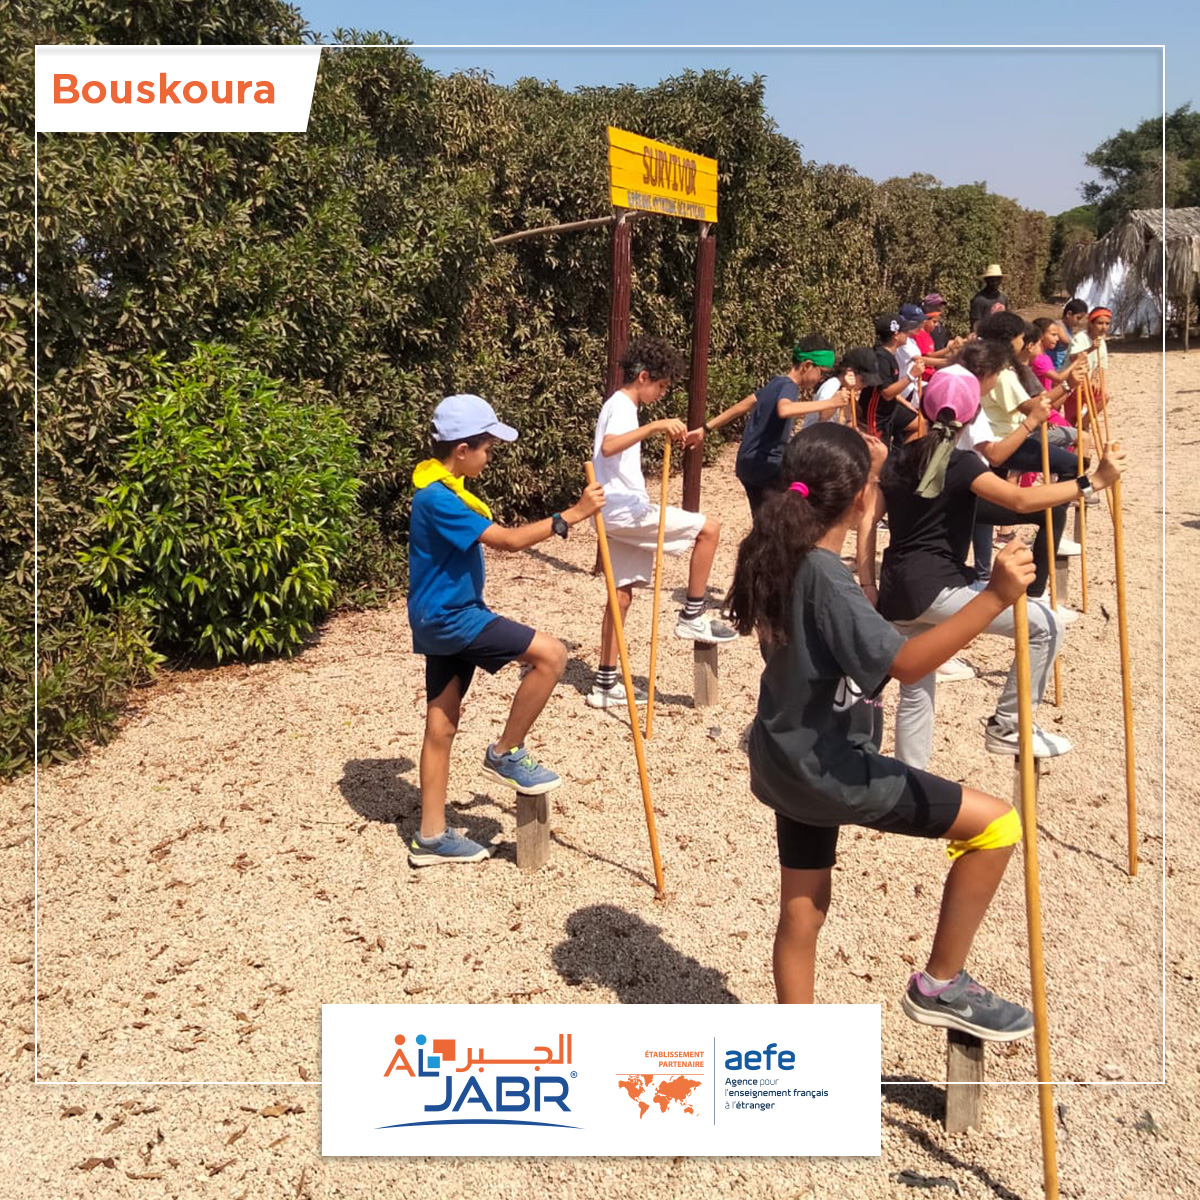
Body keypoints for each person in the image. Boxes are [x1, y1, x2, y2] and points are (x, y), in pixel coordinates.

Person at [726, 422, 1036, 1040]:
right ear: (864, 495)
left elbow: (851, 596)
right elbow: (907, 663)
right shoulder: (821, 575)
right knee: (999, 825)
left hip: (785, 759)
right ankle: (941, 985)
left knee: (804, 906)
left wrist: (865, 523)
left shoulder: (779, 551)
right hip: (831, 768)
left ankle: (800, 1048)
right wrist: (995, 597)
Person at [874, 368, 1126, 770]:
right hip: (935, 588)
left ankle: (909, 776)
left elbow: (867, 520)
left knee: (917, 689)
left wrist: (868, 585)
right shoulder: (962, 464)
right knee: (1046, 624)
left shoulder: (897, 458)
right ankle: (1008, 725)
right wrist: (1090, 482)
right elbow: (1020, 502)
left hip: (897, 591)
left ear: (923, 407)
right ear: (972, 417)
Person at [406, 394, 606, 865]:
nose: (489, 456)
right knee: (552, 655)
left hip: (437, 616)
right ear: (461, 450)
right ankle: (506, 750)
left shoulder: (439, 488)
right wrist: (570, 516)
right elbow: (510, 542)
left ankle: (430, 838)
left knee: (442, 723)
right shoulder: (439, 498)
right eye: (487, 448)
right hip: (454, 617)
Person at [588, 335, 737, 710]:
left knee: (621, 595)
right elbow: (608, 446)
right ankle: (692, 614)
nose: (662, 393)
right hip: (624, 512)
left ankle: (605, 683)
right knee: (709, 528)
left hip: (614, 511)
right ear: (642, 377)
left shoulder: (619, 405)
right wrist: (655, 427)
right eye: (661, 385)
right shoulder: (622, 405)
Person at [699, 338, 845, 514]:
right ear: (807, 365)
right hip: (767, 467)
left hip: (747, 464)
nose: (821, 379)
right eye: (822, 373)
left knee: (763, 521)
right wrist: (830, 403)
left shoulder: (776, 382)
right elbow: (784, 409)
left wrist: (705, 429)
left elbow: (742, 405)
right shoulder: (789, 386)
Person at [861, 314, 922, 444]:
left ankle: (902, 458)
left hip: (891, 409)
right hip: (876, 415)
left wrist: (906, 405)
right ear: (896, 335)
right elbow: (887, 393)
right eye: (905, 332)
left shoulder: (890, 355)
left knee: (922, 424)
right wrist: (911, 376)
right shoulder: (881, 358)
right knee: (878, 451)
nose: (908, 335)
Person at [969, 264, 1008, 332]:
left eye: (998, 279)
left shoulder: (1003, 297)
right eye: (992, 280)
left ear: (1001, 280)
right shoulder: (979, 300)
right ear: (986, 280)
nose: (995, 282)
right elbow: (975, 324)